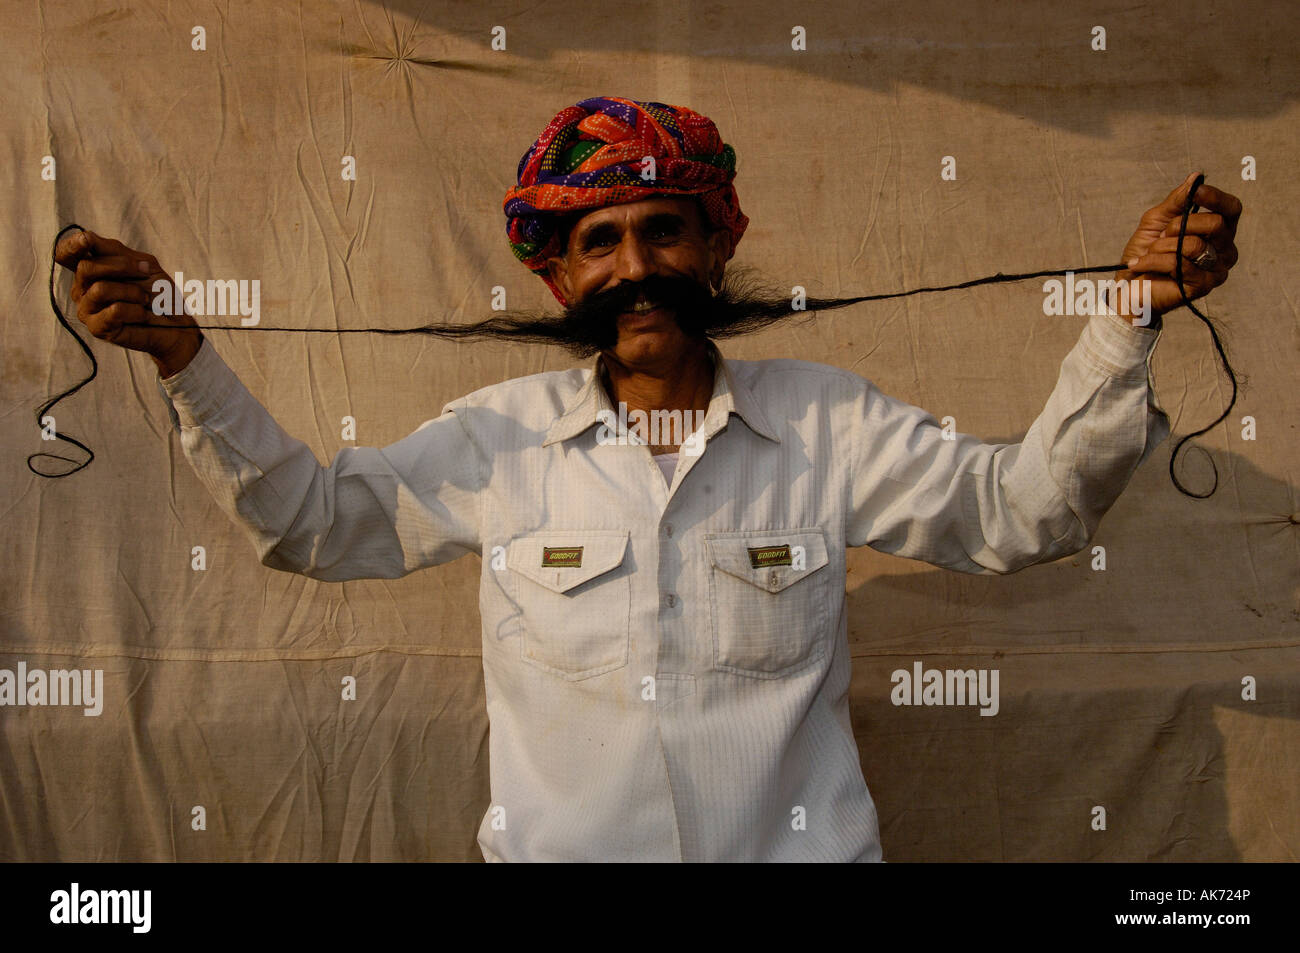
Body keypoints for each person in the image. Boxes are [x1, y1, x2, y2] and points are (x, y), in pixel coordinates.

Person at [54, 96, 1241, 862]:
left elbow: (1022, 515)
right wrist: (184, 356)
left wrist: (1124, 313)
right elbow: (313, 526)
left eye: (664, 231)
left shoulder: (826, 421)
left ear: (716, 247)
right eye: (598, 241)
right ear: (559, 278)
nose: (637, 267)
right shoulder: (494, 438)